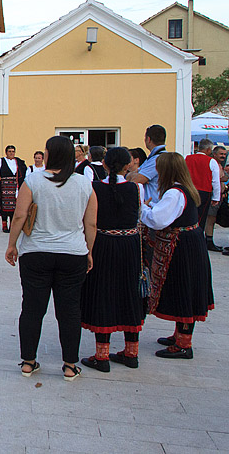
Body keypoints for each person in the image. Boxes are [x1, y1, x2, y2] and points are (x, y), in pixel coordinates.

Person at [5, 135, 97, 381]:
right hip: (72, 254)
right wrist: (89, 250)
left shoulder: (33, 180)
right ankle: (69, 365)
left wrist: (12, 244)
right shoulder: (83, 184)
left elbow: (19, 215)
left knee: (33, 308)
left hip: (36, 253)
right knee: (69, 310)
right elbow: (91, 222)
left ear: (49, 154)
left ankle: (28, 361)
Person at [139, 152, 214, 359]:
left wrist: (142, 209)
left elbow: (157, 220)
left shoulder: (174, 193)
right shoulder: (185, 189)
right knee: (186, 286)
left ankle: (184, 344)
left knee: (184, 288)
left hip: (181, 246)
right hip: (190, 243)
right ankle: (179, 335)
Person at [79, 147, 145, 372]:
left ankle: (102, 355)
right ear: (128, 165)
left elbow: (90, 221)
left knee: (103, 293)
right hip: (129, 245)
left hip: (104, 244)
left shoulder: (94, 188)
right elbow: (141, 215)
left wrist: (88, 249)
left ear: (104, 165)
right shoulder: (137, 189)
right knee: (129, 293)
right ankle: (131, 352)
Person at [185, 138, 221, 253]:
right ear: (209, 149)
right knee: (201, 219)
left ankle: (187, 241)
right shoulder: (211, 161)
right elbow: (215, 181)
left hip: (189, 190)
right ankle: (197, 243)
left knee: (189, 216)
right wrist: (216, 197)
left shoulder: (187, 158)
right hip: (204, 191)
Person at [0, 145, 27, 233]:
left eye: (13, 151)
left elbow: (24, 170)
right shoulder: (1, 161)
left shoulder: (18, 161)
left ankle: (12, 225)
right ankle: (4, 225)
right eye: (9, 151)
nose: (11, 153)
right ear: (6, 152)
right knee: (4, 206)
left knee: (14, 206)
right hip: (5, 186)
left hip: (15, 186)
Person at [126, 124, 167, 204]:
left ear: (148, 139)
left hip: (153, 204)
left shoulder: (157, 159)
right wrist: (134, 174)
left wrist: (132, 175)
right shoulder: (156, 157)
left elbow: (136, 180)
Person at [205, 145, 228, 252]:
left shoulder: (219, 165)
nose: (223, 156)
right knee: (210, 218)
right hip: (214, 196)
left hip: (219, 196)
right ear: (214, 154)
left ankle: (209, 240)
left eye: (224, 154)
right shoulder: (213, 163)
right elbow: (216, 179)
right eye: (221, 154)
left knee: (212, 219)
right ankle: (208, 241)